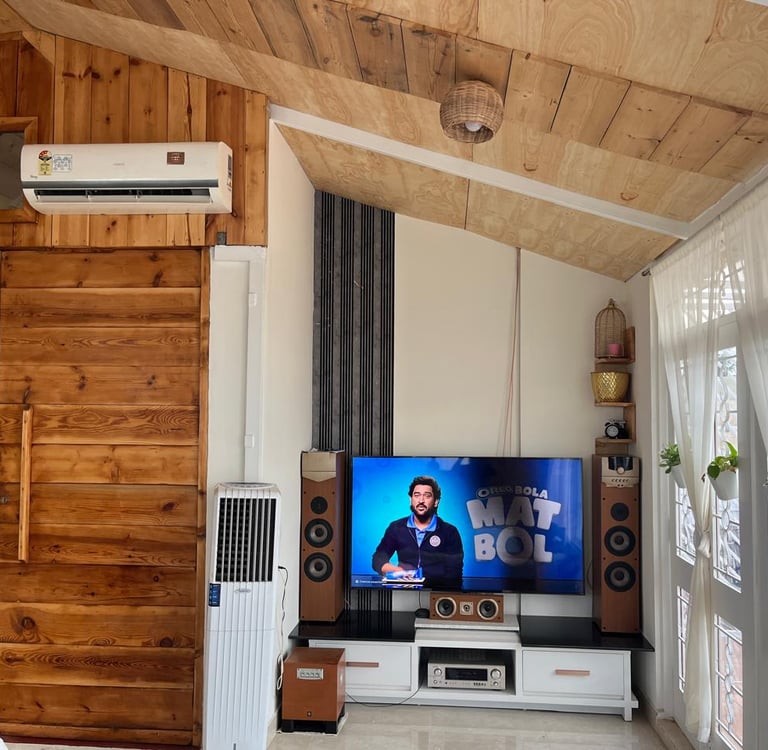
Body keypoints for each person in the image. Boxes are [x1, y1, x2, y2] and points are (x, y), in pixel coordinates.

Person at [372, 475, 464, 587]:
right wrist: (395, 570)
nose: (421, 500)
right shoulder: (396, 527)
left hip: (436, 592)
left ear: (436, 501)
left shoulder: (449, 532)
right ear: (410, 500)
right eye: (416, 495)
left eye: (427, 496)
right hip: (403, 590)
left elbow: (454, 573)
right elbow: (378, 558)